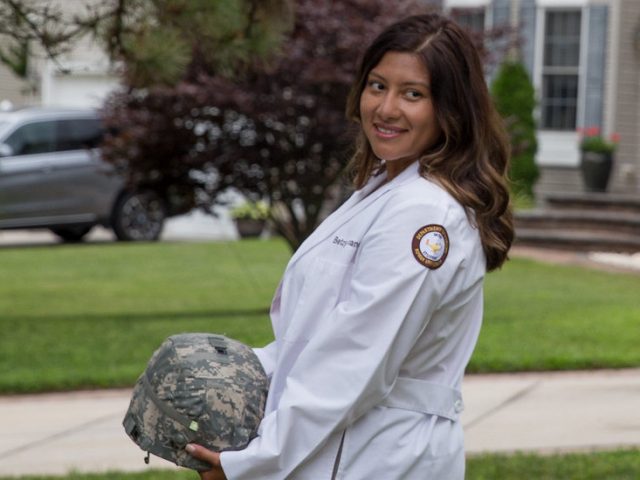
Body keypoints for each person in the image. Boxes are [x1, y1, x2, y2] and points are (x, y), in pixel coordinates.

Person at [187, 12, 513, 479]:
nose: (386, 108)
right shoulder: (384, 189)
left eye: (413, 94)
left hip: (380, 453)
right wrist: (225, 369)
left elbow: (355, 362)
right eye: (377, 86)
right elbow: (315, 335)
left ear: (451, 109)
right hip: (344, 445)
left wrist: (251, 463)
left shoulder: (423, 213)